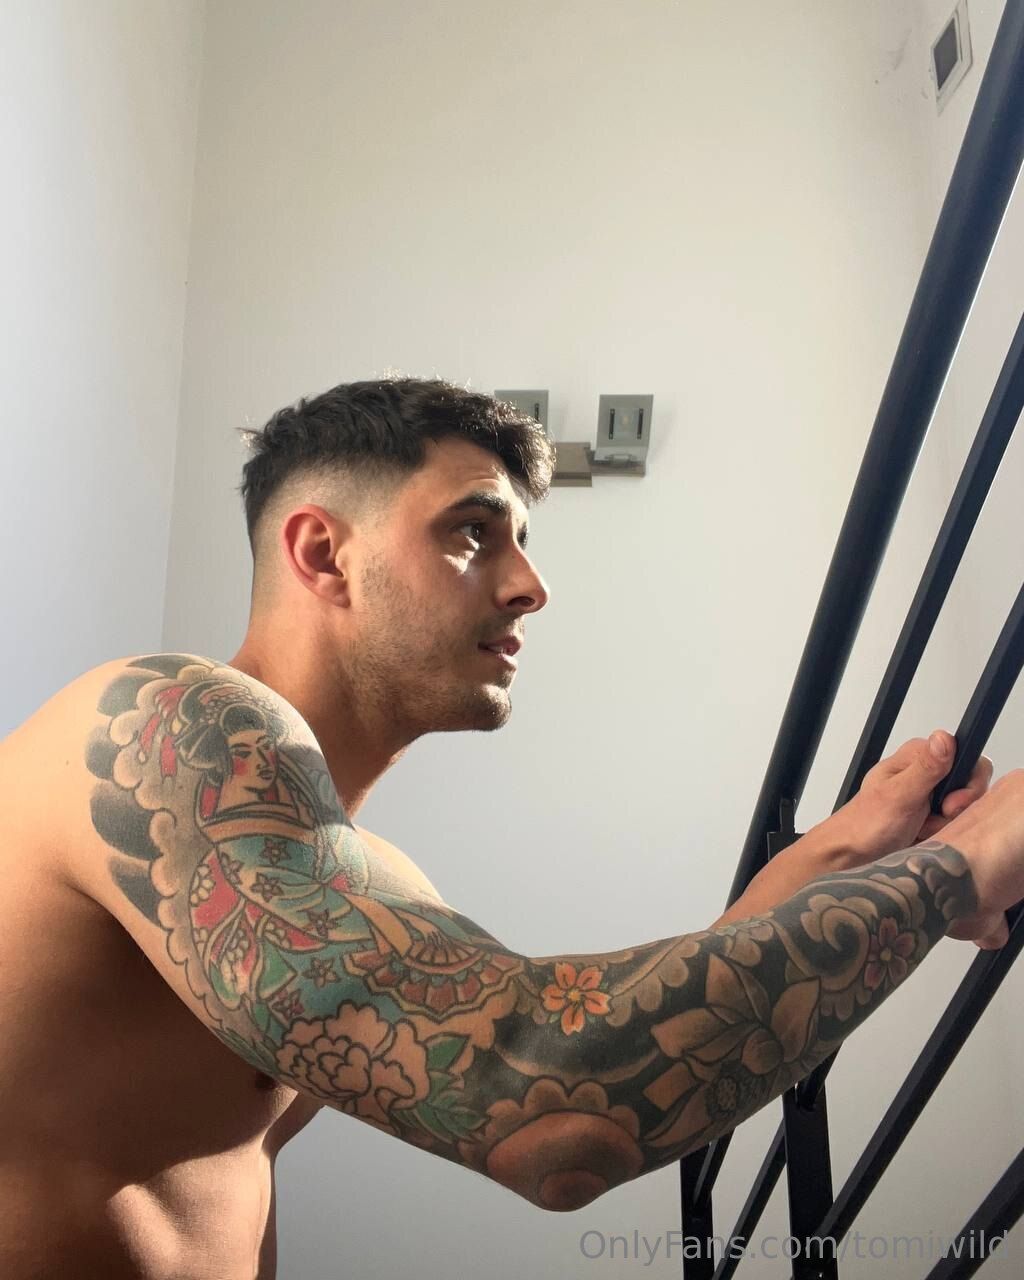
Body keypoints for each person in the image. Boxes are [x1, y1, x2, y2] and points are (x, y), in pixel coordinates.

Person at [0, 376, 1019, 1280]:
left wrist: (848, 849)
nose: (531, 584)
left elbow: (620, 1035)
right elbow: (554, 1094)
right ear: (323, 553)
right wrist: (953, 874)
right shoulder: (162, 723)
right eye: (472, 532)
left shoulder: (361, 877)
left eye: (522, 541)